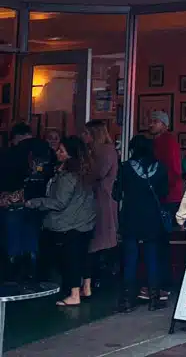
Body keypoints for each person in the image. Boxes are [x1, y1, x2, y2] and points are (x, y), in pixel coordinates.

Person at [25, 136, 96, 306]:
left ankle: (73, 294)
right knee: (83, 256)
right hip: (86, 221)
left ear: (70, 154)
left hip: (68, 223)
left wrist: (34, 202)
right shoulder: (85, 171)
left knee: (69, 259)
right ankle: (86, 288)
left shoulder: (67, 175)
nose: (57, 152)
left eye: (61, 150)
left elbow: (59, 202)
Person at [117, 135, 168, 312]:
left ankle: (127, 301)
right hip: (152, 217)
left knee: (130, 258)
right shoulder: (160, 167)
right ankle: (154, 300)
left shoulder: (125, 167)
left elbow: (116, 193)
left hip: (131, 216)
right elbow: (164, 192)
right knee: (152, 258)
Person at [1, 123, 53, 282]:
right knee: (32, 238)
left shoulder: (11, 153)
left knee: (13, 240)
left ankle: (13, 276)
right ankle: (33, 273)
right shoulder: (47, 151)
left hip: (13, 203)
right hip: (39, 201)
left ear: (15, 137)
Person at [82, 120, 119, 296]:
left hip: (101, 199)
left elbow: (97, 174)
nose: (84, 136)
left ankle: (96, 278)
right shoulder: (102, 150)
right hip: (98, 198)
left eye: (86, 133)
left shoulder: (105, 151)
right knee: (99, 240)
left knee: (97, 240)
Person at [148, 110, 181, 300]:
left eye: (155, 121)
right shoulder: (158, 142)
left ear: (164, 124)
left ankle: (164, 283)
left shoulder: (168, 142)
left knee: (162, 241)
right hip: (162, 196)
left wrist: (161, 188)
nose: (151, 124)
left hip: (166, 197)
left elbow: (173, 170)